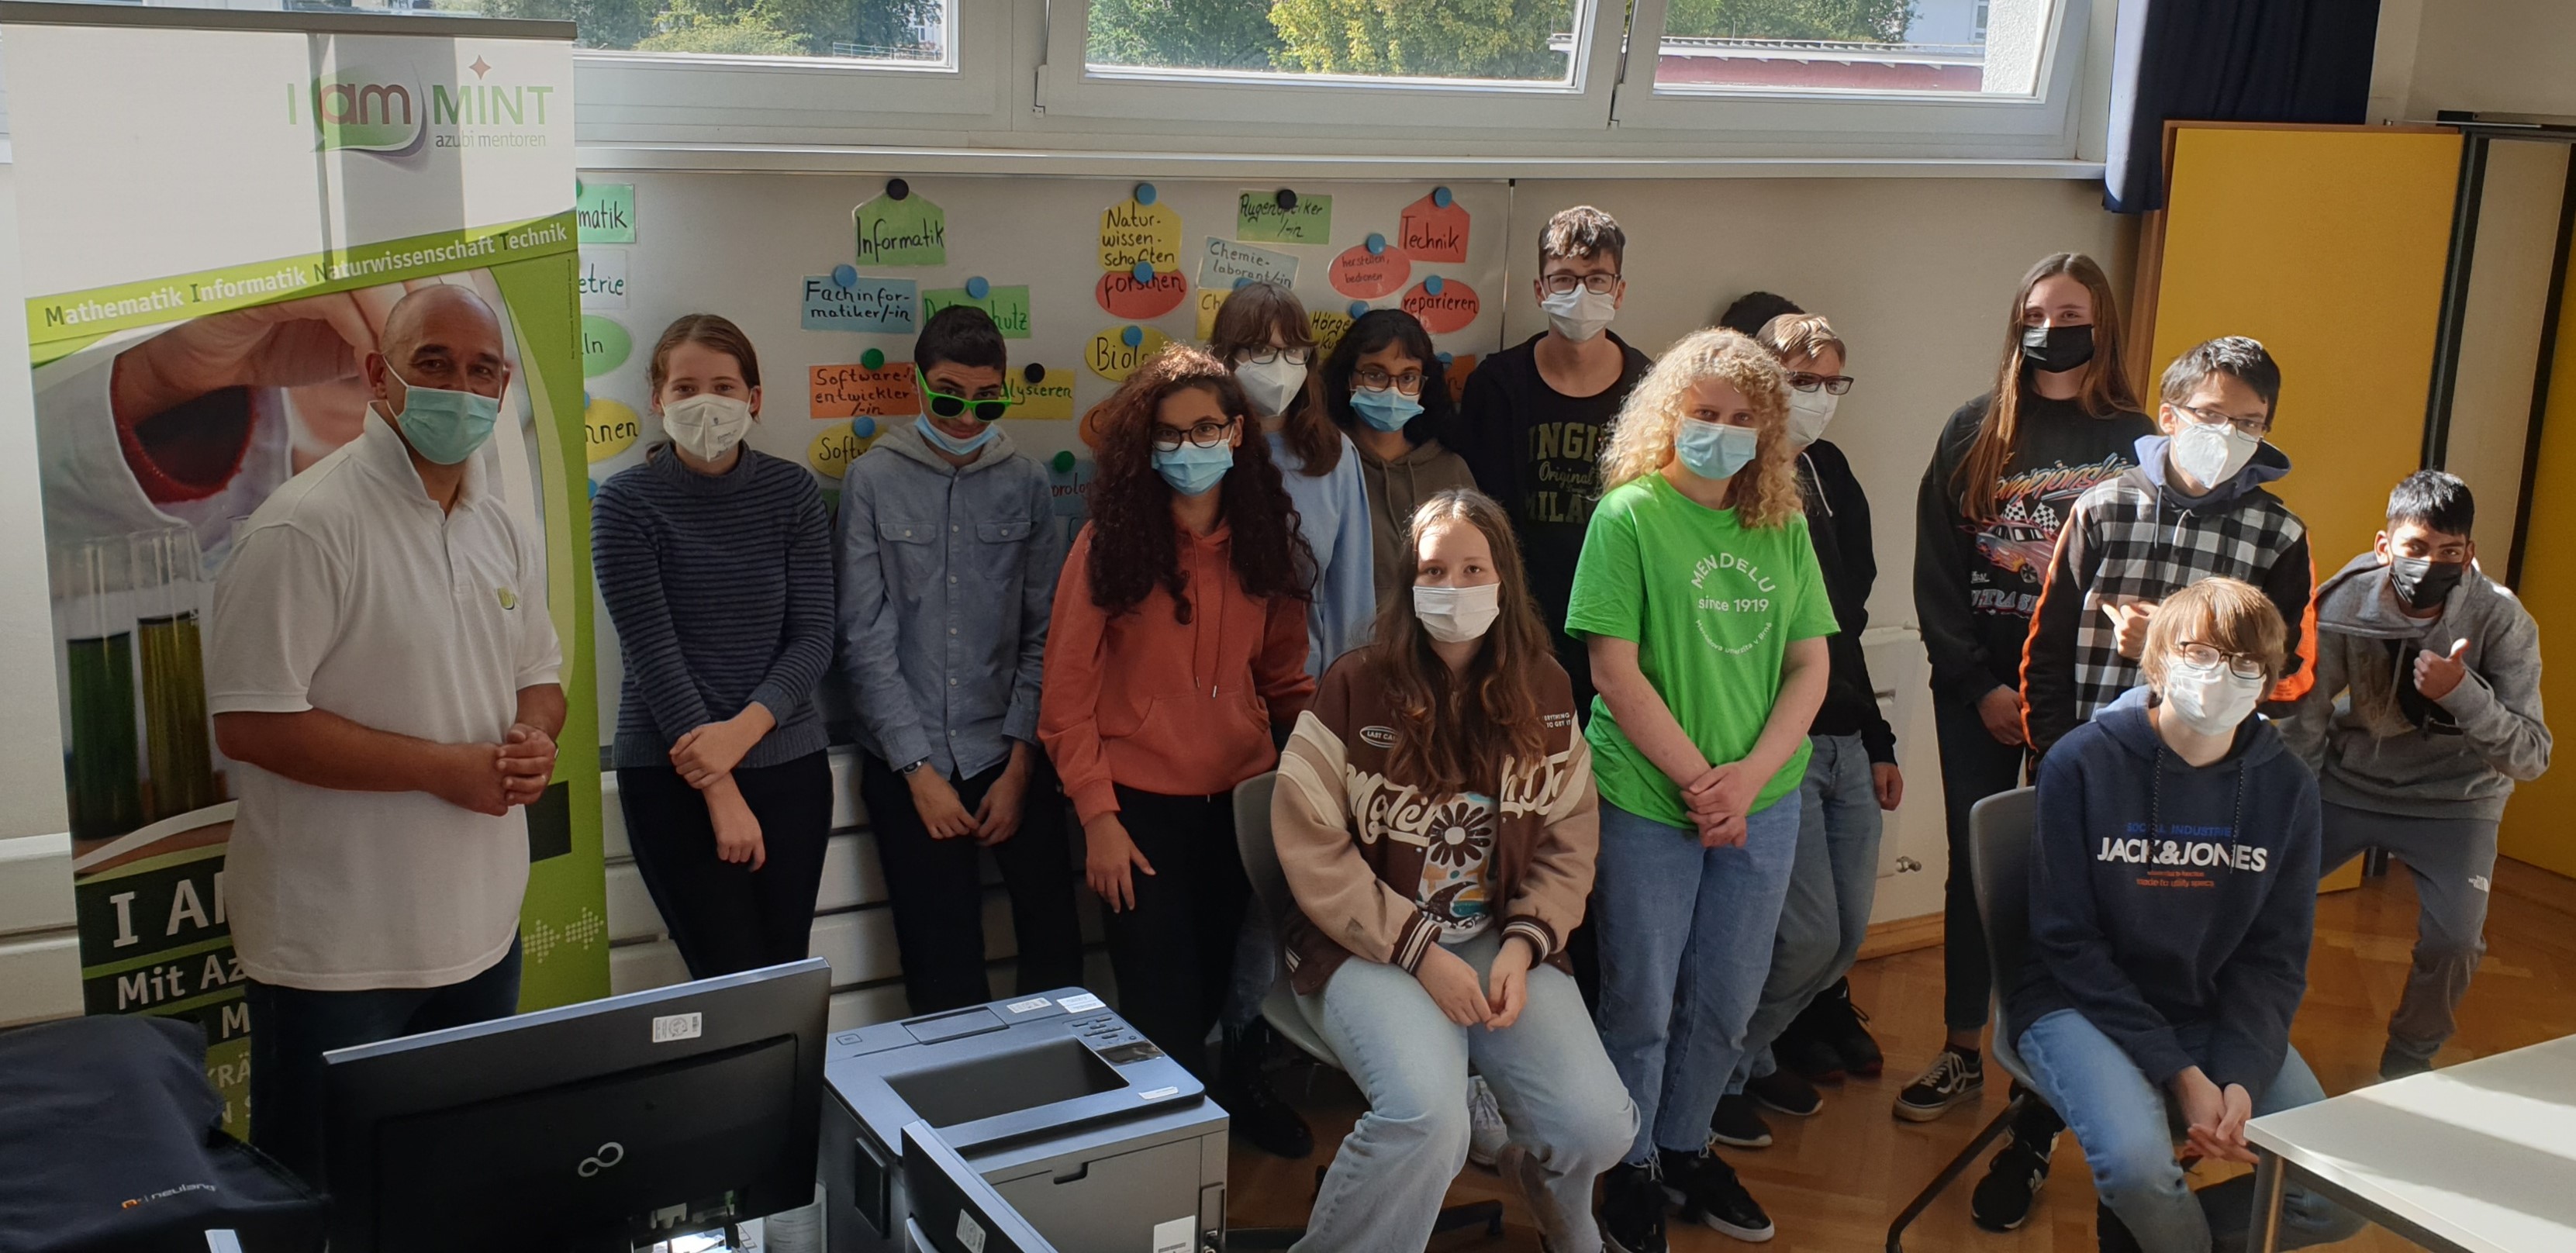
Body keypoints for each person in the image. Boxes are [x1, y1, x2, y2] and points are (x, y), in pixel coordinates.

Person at [208, 285, 564, 1182]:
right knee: (321, 1203)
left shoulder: (503, 527)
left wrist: (533, 734)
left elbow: (539, 674)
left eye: (481, 370)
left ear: (503, 388)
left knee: (454, 1190)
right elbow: (250, 721)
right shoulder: (304, 525)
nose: (459, 387)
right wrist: (442, 769)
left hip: (482, 934)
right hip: (336, 957)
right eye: (432, 362)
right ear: (378, 375)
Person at [1272, 487, 1635, 1253]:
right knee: (1428, 1121)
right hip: (1368, 943)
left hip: (1496, 935)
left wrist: (1524, 945)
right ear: (1408, 582)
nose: (1454, 587)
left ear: (1505, 580)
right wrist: (1419, 954)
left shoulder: (1546, 688)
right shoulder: (1354, 683)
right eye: (1434, 570)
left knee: (1597, 1126)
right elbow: (1310, 841)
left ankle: (1557, 1207)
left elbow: (1569, 837)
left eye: (1474, 569)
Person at [1569, 329, 1837, 1251]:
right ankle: (1632, 1161)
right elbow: (1613, 671)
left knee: (1725, 998)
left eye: (1740, 418)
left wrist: (1749, 779)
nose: (1719, 431)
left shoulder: (1781, 524)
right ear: (1668, 415)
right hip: (1649, 797)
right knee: (1641, 1002)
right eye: (1703, 412)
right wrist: (1700, 783)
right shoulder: (1629, 516)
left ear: (1766, 432)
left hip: (1762, 796)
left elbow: (1809, 664)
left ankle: (1686, 1143)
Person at [1906, 252, 2151, 1231]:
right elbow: (1935, 568)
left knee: (2064, 885)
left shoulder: (2135, 440)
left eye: (2072, 311)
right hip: (1974, 690)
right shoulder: (1975, 427)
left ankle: (2039, 1090)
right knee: (1973, 870)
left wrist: (2055, 699)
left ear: (2103, 324)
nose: (2053, 327)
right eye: (2037, 312)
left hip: (2086, 703)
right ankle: (1963, 1045)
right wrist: (1978, 684)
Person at [2011, 578, 2363, 1253]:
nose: (2219, 676)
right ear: (2157, 659)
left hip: (2206, 1004)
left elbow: (2274, 957)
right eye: (2198, 653)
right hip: (2076, 1003)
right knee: (2139, 1172)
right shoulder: (2080, 763)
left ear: (2269, 680)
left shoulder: (2288, 787)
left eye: (2245, 663)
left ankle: (2149, 1238)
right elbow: (2067, 941)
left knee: (2338, 1192)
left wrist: (2241, 1075)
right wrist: (2182, 1072)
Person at [1041, 345, 1317, 1079]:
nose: (1187, 447)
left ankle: (1202, 1135)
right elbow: (1065, 699)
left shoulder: (1267, 543)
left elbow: (1285, 682)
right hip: (1137, 815)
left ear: (1236, 433)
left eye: (1205, 429)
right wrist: (1099, 819)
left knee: (1213, 999)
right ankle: (1168, 1144)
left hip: (1238, 807)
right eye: (1168, 433)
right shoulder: (1107, 545)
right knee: (1160, 1014)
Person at [839, 305, 1084, 1015]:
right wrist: (917, 772)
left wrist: (1020, 766)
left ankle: (1052, 1079)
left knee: (1056, 952)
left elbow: (1044, 631)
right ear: (918, 384)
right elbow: (863, 636)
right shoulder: (871, 480)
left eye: (987, 400)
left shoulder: (1027, 482)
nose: (967, 417)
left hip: (1009, 749)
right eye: (948, 397)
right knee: (940, 966)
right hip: (907, 758)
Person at [1708, 313, 1904, 1151]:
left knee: (1844, 939)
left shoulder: (1829, 472)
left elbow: (1843, 623)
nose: (1819, 397)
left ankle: (1747, 1059)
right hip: (1775, 744)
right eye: (1801, 380)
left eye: (1831, 381)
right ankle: (1711, 1075)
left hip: (1846, 735)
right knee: (1805, 935)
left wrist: (1879, 737)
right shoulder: (1727, 483)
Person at [2284, 471, 2550, 1079]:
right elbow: (2306, 720)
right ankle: (2248, 1029)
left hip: (2458, 799)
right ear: (2385, 547)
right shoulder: (2340, 604)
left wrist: (2464, 695)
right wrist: (2289, 811)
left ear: (2470, 552)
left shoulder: (2502, 619)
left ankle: (2407, 1063)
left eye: (2450, 552)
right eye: (2416, 548)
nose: (2432, 565)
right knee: (2257, 892)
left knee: (2455, 940)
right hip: (2349, 784)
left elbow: (2531, 757)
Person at [594, 315, 835, 982]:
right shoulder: (624, 504)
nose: (706, 402)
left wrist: (740, 733)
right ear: (657, 400)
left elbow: (814, 636)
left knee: (786, 978)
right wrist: (718, 785)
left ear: (754, 399)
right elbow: (653, 657)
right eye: (686, 387)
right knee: (729, 980)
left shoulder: (792, 492)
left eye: (724, 387)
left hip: (788, 763)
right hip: (671, 771)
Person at [2022, 336, 2316, 758]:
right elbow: (2047, 650)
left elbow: (2291, 678)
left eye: (2249, 423)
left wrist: (2172, 644)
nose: (2228, 434)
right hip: (2094, 752)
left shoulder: (2279, 535)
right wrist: (2055, 756)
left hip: (2209, 767)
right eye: (2210, 414)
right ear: (2169, 417)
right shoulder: (2102, 509)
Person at [1452, 205, 1654, 719]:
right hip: (1515, 630)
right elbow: (1478, 518)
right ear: (1540, 290)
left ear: (1619, 291)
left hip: (1619, 629)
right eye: (1564, 279)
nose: (1581, 293)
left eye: (1597, 279)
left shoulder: (1651, 390)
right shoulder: (1498, 385)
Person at [1211, 281, 1374, 678]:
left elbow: (1350, 594)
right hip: (1209, 684)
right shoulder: (1201, 446)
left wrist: (1343, 691)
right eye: (1261, 350)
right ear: (1227, 356)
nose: (1280, 366)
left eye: (1293, 351)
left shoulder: (1334, 455)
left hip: (1303, 684)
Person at [1317, 309, 1479, 612]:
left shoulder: (1450, 469)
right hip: (1344, 637)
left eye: (1408, 377)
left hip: (1430, 637)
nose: (1393, 390)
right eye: (1375, 375)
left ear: (1423, 385)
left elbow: (1475, 572)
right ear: (1349, 378)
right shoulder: (1324, 465)